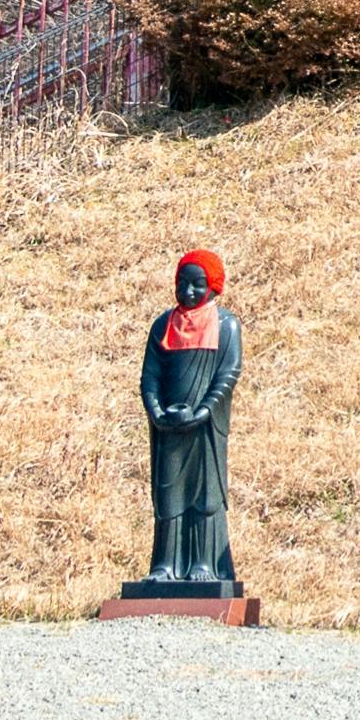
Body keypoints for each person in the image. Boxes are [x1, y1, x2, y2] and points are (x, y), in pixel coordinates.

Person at [139, 249, 242, 589]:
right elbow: (150, 375)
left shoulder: (226, 325)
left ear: (213, 286)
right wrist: (155, 410)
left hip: (206, 425)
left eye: (198, 285)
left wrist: (203, 410)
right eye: (183, 284)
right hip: (168, 423)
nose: (189, 292)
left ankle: (204, 562)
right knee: (169, 495)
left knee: (205, 494)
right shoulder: (163, 325)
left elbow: (228, 373)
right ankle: (165, 564)